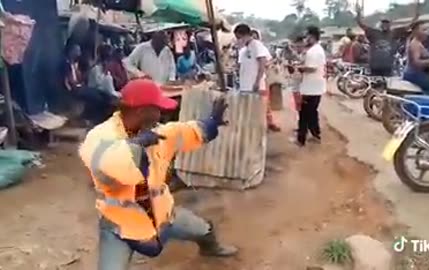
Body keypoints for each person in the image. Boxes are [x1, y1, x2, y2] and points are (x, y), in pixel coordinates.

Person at [79, 79, 238, 270]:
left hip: (163, 215)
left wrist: (211, 123)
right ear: (141, 111)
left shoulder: (157, 132)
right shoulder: (101, 135)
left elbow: (186, 131)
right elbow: (103, 162)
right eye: (157, 109)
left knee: (203, 230)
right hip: (121, 226)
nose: (161, 113)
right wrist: (135, 146)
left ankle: (210, 246)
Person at [234, 24, 281, 132]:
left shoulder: (257, 45)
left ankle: (262, 130)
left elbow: (262, 64)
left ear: (244, 35)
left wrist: (257, 81)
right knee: (250, 111)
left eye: (239, 37)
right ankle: (253, 130)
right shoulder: (245, 49)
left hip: (255, 85)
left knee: (260, 110)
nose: (238, 40)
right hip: (245, 85)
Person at [356, 3, 419, 77]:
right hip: (374, 66)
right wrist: (358, 14)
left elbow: (409, 26)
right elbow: (361, 24)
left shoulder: (395, 32)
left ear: (390, 24)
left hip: (387, 66)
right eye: (383, 23)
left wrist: (416, 16)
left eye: (387, 23)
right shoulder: (373, 32)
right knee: (374, 84)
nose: (385, 25)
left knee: (387, 85)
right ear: (380, 24)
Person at [63, 43, 114, 125]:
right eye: (77, 50)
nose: (79, 53)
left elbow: (80, 78)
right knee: (96, 97)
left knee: (104, 95)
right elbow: (70, 81)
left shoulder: (75, 64)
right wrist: (79, 84)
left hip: (79, 87)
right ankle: (90, 118)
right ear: (71, 52)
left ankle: (100, 118)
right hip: (73, 89)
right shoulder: (66, 64)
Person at [294, 26, 326, 147]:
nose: (305, 39)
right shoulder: (318, 49)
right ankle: (316, 134)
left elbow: (312, 68)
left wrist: (299, 68)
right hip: (316, 86)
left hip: (310, 87)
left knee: (304, 114)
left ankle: (301, 139)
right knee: (312, 112)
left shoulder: (313, 51)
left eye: (307, 36)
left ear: (312, 37)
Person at [403, 21, 429, 94]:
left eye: (427, 30)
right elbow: (416, 63)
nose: (426, 33)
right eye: (424, 30)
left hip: (416, 73)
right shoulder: (415, 45)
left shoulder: (419, 43)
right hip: (413, 74)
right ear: (416, 31)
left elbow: (426, 55)